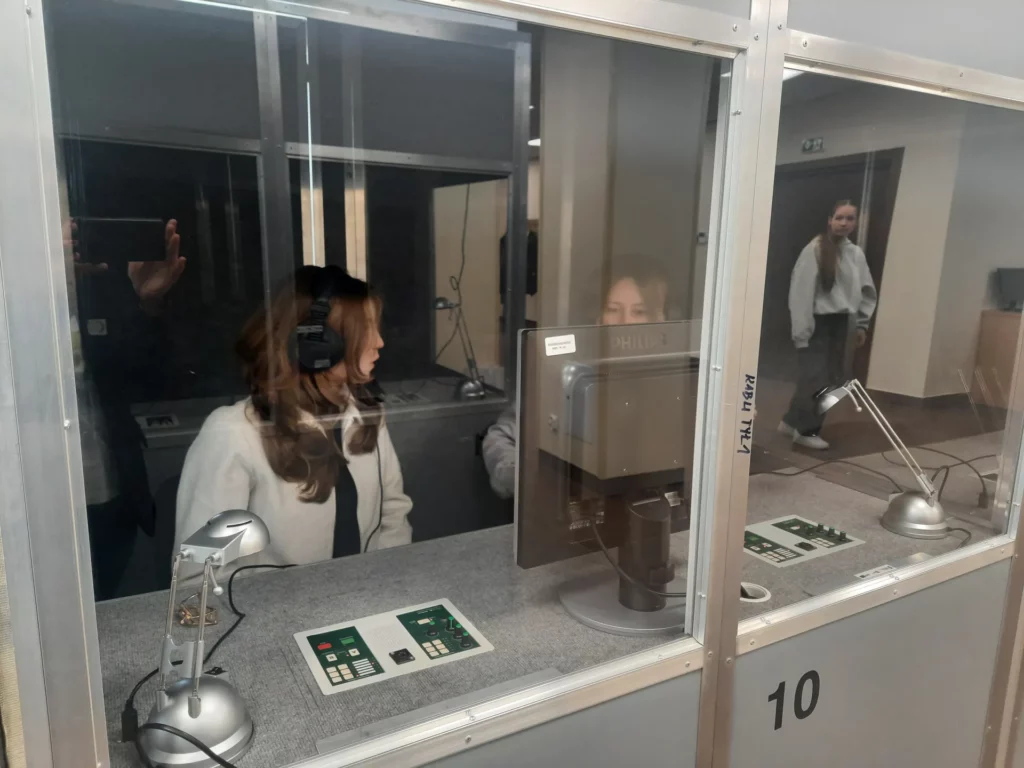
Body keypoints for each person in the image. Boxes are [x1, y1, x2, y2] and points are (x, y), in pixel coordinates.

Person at [174, 265, 413, 573]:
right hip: (274, 605)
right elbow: (199, 572)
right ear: (318, 343)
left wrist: (390, 581)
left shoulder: (366, 415)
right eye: (365, 328)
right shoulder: (234, 433)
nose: (379, 341)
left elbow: (392, 513)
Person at [482, 256, 672, 499]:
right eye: (613, 310)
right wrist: (533, 484)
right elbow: (501, 437)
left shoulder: (678, 385)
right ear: (599, 318)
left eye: (639, 312)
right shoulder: (568, 375)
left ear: (659, 320)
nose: (625, 323)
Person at [71, 217, 186, 600]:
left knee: (106, 610)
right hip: (32, 506)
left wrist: (148, 304)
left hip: (111, 492)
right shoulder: (16, 299)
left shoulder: (98, 291)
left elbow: (154, 381)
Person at [779, 200, 877, 450]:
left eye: (850, 218)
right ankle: (807, 431)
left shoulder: (856, 254)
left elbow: (867, 291)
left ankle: (790, 421)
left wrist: (861, 325)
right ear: (830, 220)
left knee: (832, 378)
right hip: (817, 323)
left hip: (841, 323)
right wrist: (802, 332)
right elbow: (800, 294)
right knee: (816, 379)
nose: (844, 223)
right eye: (839, 218)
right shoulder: (814, 250)